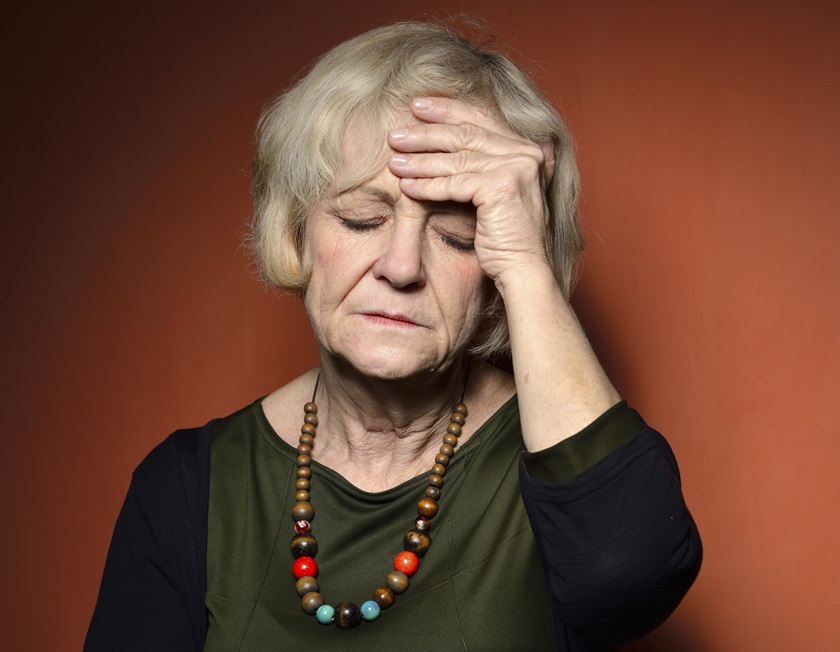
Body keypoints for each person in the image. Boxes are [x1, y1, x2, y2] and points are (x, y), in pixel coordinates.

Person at [85, 20, 701, 651]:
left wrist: (524, 263)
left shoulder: (552, 466)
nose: (402, 266)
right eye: (362, 219)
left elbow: (632, 580)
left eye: (458, 235)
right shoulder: (188, 487)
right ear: (297, 233)